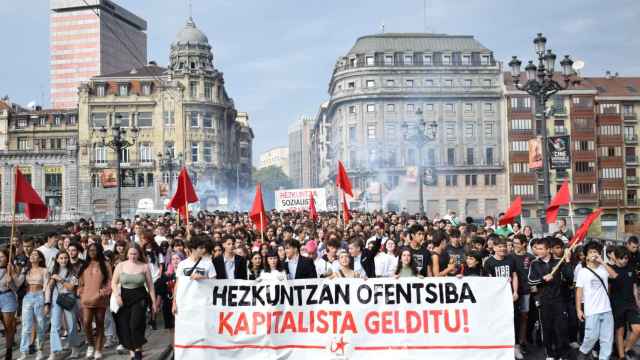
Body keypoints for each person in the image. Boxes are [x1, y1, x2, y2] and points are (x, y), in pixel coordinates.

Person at [528, 237, 573, 360]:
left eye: (541, 249)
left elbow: (570, 278)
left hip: (559, 300)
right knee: (547, 328)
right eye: (537, 248)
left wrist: (568, 261)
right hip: (544, 301)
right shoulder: (534, 263)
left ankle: (561, 353)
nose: (538, 251)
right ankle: (550, 353)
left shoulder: (559, 262)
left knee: (561, 328)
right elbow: (531, 281)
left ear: (548, 250)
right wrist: (543, 279)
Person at [112, 244, 158, 360]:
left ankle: (137, 352)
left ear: (139, 254)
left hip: (140, 297)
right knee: (125, 325)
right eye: (131, 253)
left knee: (135, 324)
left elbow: (150, 286)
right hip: (124, 297)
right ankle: (132, 351)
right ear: (127, 254)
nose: (133, 256)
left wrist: (154, 303)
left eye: (135, 253)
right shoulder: (120, 266)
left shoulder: (144, 266)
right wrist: (117, 295)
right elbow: (113, 282)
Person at [574, 241, 615, 360]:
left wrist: (602, 261)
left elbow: (614, 276)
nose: (593, 254)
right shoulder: (582, 271)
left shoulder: (604, 268)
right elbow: (579, 292)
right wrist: (578, 310)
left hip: (607, 309)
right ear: (586, 255)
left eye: (596, 252)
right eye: (591, 252)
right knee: (591, 337)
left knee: (607, 339)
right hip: (591, 310)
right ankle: (582, 353)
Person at [78, 243, 112, 360]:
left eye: (95, 250)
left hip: (100, 298)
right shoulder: (85, 264)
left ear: (99, 251)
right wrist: (80, 291)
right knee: (86, 323)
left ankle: (98, 349)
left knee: (99, 323)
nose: (92, 252)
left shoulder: (106, 264)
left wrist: (104, 291)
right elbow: (80, 282)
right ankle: (91, 345)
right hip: (86, 298)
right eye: (90, 250)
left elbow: (110, 281)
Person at [46, 251, 82, 360]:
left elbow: (71, 287)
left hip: (69, 298)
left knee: (71, 324)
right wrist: (47, 303)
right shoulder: (53, 271)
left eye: (65, 258)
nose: (63, 260)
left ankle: (75, 348)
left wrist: (60, 279)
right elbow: (49, 288)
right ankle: (54, 351)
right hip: (55, 299)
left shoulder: (73, 271)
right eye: (61, 258)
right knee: (55, 325)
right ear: (57, 260)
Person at [609, 246, 640, 359]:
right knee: (620, 332)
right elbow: (608, 289)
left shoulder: (631, 269)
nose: (624, 260)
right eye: (622, 258)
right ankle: (621, 356)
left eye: (626, 258)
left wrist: (637, 303)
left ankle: (625, 348)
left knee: (637, 329)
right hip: (617, 305)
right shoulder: (611, 270)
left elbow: (634, 288)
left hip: (631, 304)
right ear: (616, 258)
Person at [18, 250, 48, 360]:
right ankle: (23, 352)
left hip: (40, 296)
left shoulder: (44, 270)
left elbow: (46, 287)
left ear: (40, 258)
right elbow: (17, 283)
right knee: (26, 326)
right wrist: (11, 274)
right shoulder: (26, 270)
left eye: (35, 255)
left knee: (40, 325)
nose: (32, 256)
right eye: (31, 255)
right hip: (28, 297)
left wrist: (46, 302)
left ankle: (40, 350)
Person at [511, 234, 535, 354]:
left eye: (517, 243)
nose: (514, 245)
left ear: (524, 244)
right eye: (513, 243)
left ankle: (522, 341)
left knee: (524, 316)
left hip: (526, 291)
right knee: (513, 317)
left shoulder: (530, 257)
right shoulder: (509, 257)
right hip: (512, 292)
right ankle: (513, 342)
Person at [0, 248, 22, 360]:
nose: (0, 259)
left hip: (7, 297)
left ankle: (8, 352)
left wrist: (12, 276)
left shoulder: (12, 268)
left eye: (2, 256)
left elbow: (17, 286)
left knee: (8, 327)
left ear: (7, 257)